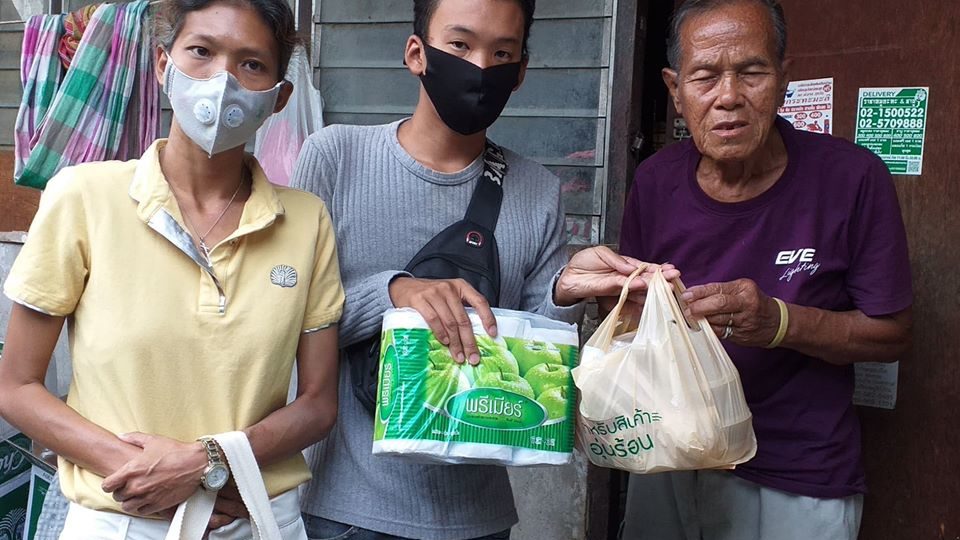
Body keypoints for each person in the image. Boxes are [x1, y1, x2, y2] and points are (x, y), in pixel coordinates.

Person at [289, 1, 673, 538]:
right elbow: (289, 318)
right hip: (347, 510)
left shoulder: (536, 189)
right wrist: (395, 292)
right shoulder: (335, 157)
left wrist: (567, 290)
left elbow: (534, 356)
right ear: (417, 53)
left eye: (502, 53)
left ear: (519, 73)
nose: (479, 66)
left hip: (479, 515)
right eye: (461, 45)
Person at [0, 0, 344, 537]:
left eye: (252, 64)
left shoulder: (305, 221)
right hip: (124, 515)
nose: (222, 80)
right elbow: (17, 385)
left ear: (280, 97)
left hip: (251, 516)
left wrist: (206, 464)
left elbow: (320, 403)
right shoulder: (85, 196)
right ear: (163, 66)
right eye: (202, 52)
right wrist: (142, 470)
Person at [616, 1, 913, 539]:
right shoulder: (656, 182)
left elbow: (890, 334)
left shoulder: (852, 178)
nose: (728, 97)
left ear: (782, 79)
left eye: (751, 72)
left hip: (798, 473)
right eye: (704, 76)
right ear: (675, 91)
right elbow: (631, 322)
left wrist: (778, 322)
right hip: (669, 455)